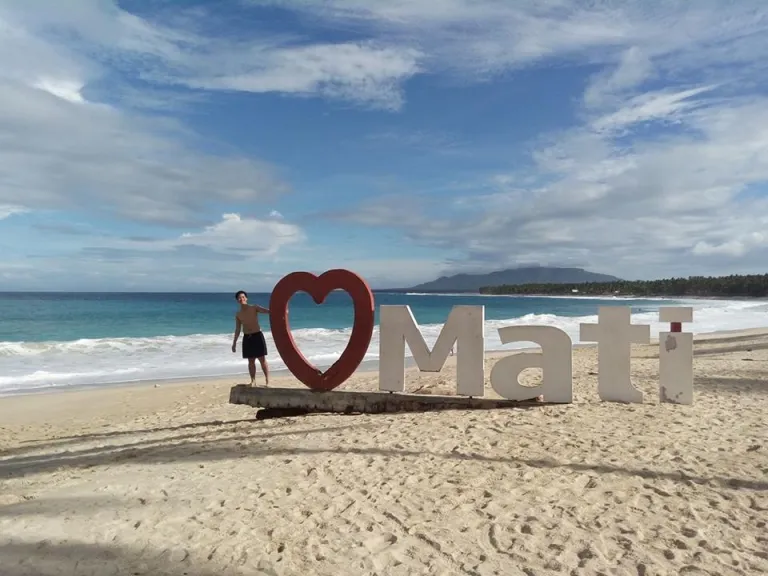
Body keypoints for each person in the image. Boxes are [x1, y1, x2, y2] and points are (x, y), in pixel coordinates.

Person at [231, 290, 270, 386]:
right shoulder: (238, 314)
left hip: (257, 335)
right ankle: (253, 381)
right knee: (251, 361)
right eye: (239, 298)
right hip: (247, 338)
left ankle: (267, 381)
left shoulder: (254, 307)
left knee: (262, 360)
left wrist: (281, 311)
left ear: (246, 298)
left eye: (243, 297)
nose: (241, 299)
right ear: (237, 300)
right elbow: (237, 329)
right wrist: (234, 343)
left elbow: (268, 311)